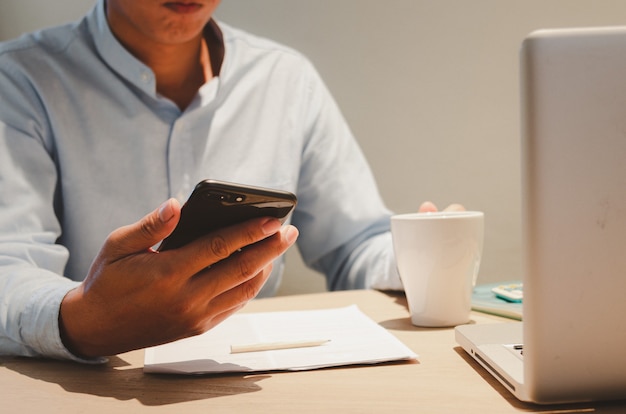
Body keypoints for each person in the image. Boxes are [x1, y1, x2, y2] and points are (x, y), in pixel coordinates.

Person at [0, 0, 458, 362]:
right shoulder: (20, 80)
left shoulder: (285, 79)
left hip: (247, 377)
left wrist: (420, 257)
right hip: (94, 384)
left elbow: (354, 243)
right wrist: (81, 321)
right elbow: (7, 265)